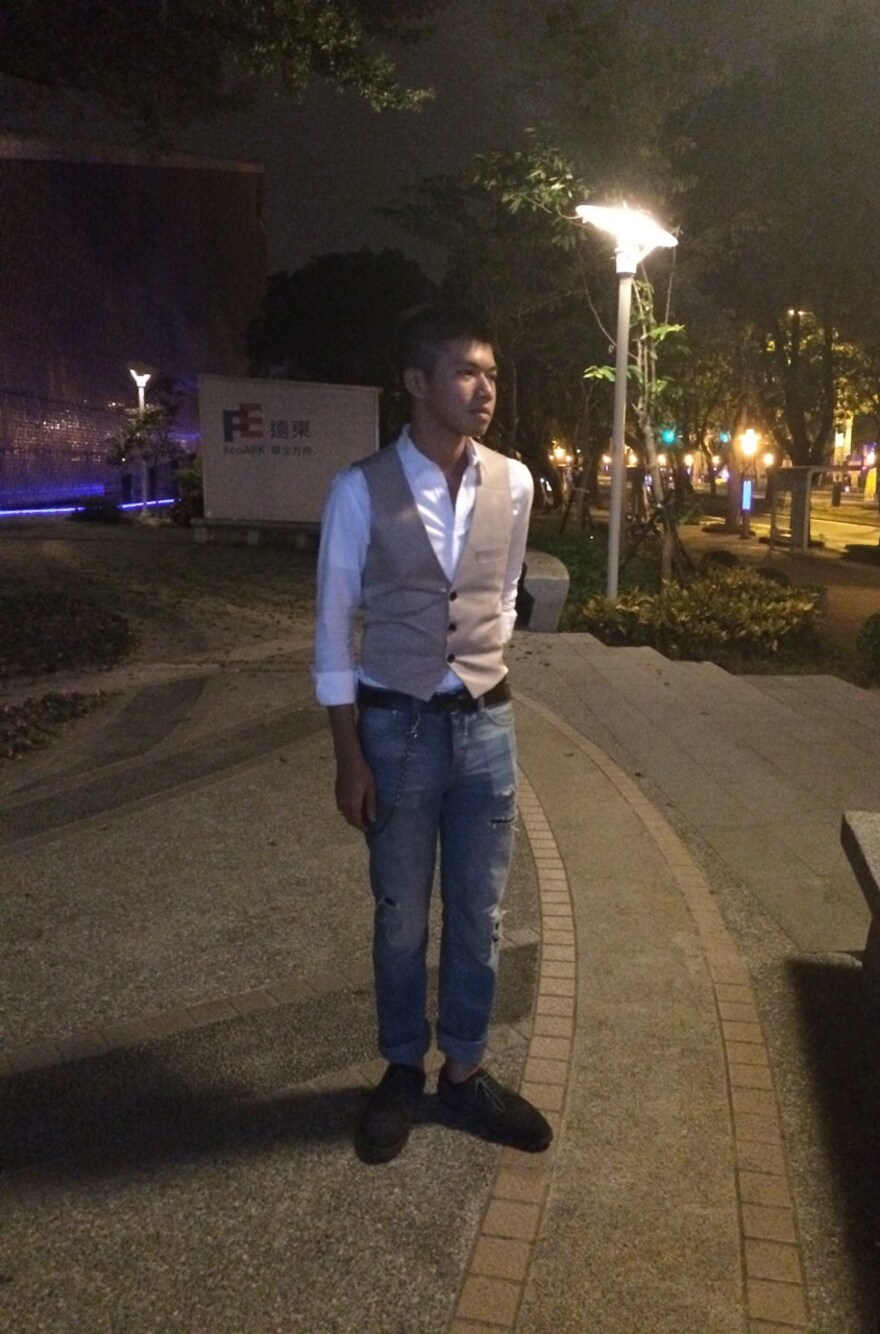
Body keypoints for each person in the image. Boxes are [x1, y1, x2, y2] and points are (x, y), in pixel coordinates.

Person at [313, 302, 553, 1164]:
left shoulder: (516, 483)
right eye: (465, 372)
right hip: (395, 727)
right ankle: (402, 1068)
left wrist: (481, 662)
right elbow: (333, 627)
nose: (485, 389)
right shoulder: (359, 489)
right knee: (400, 915)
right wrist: (348, 754)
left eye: (491, 373)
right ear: (417, 383)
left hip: (487, 724)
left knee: (481, 912)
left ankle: (465, 1070)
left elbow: (504, 591)